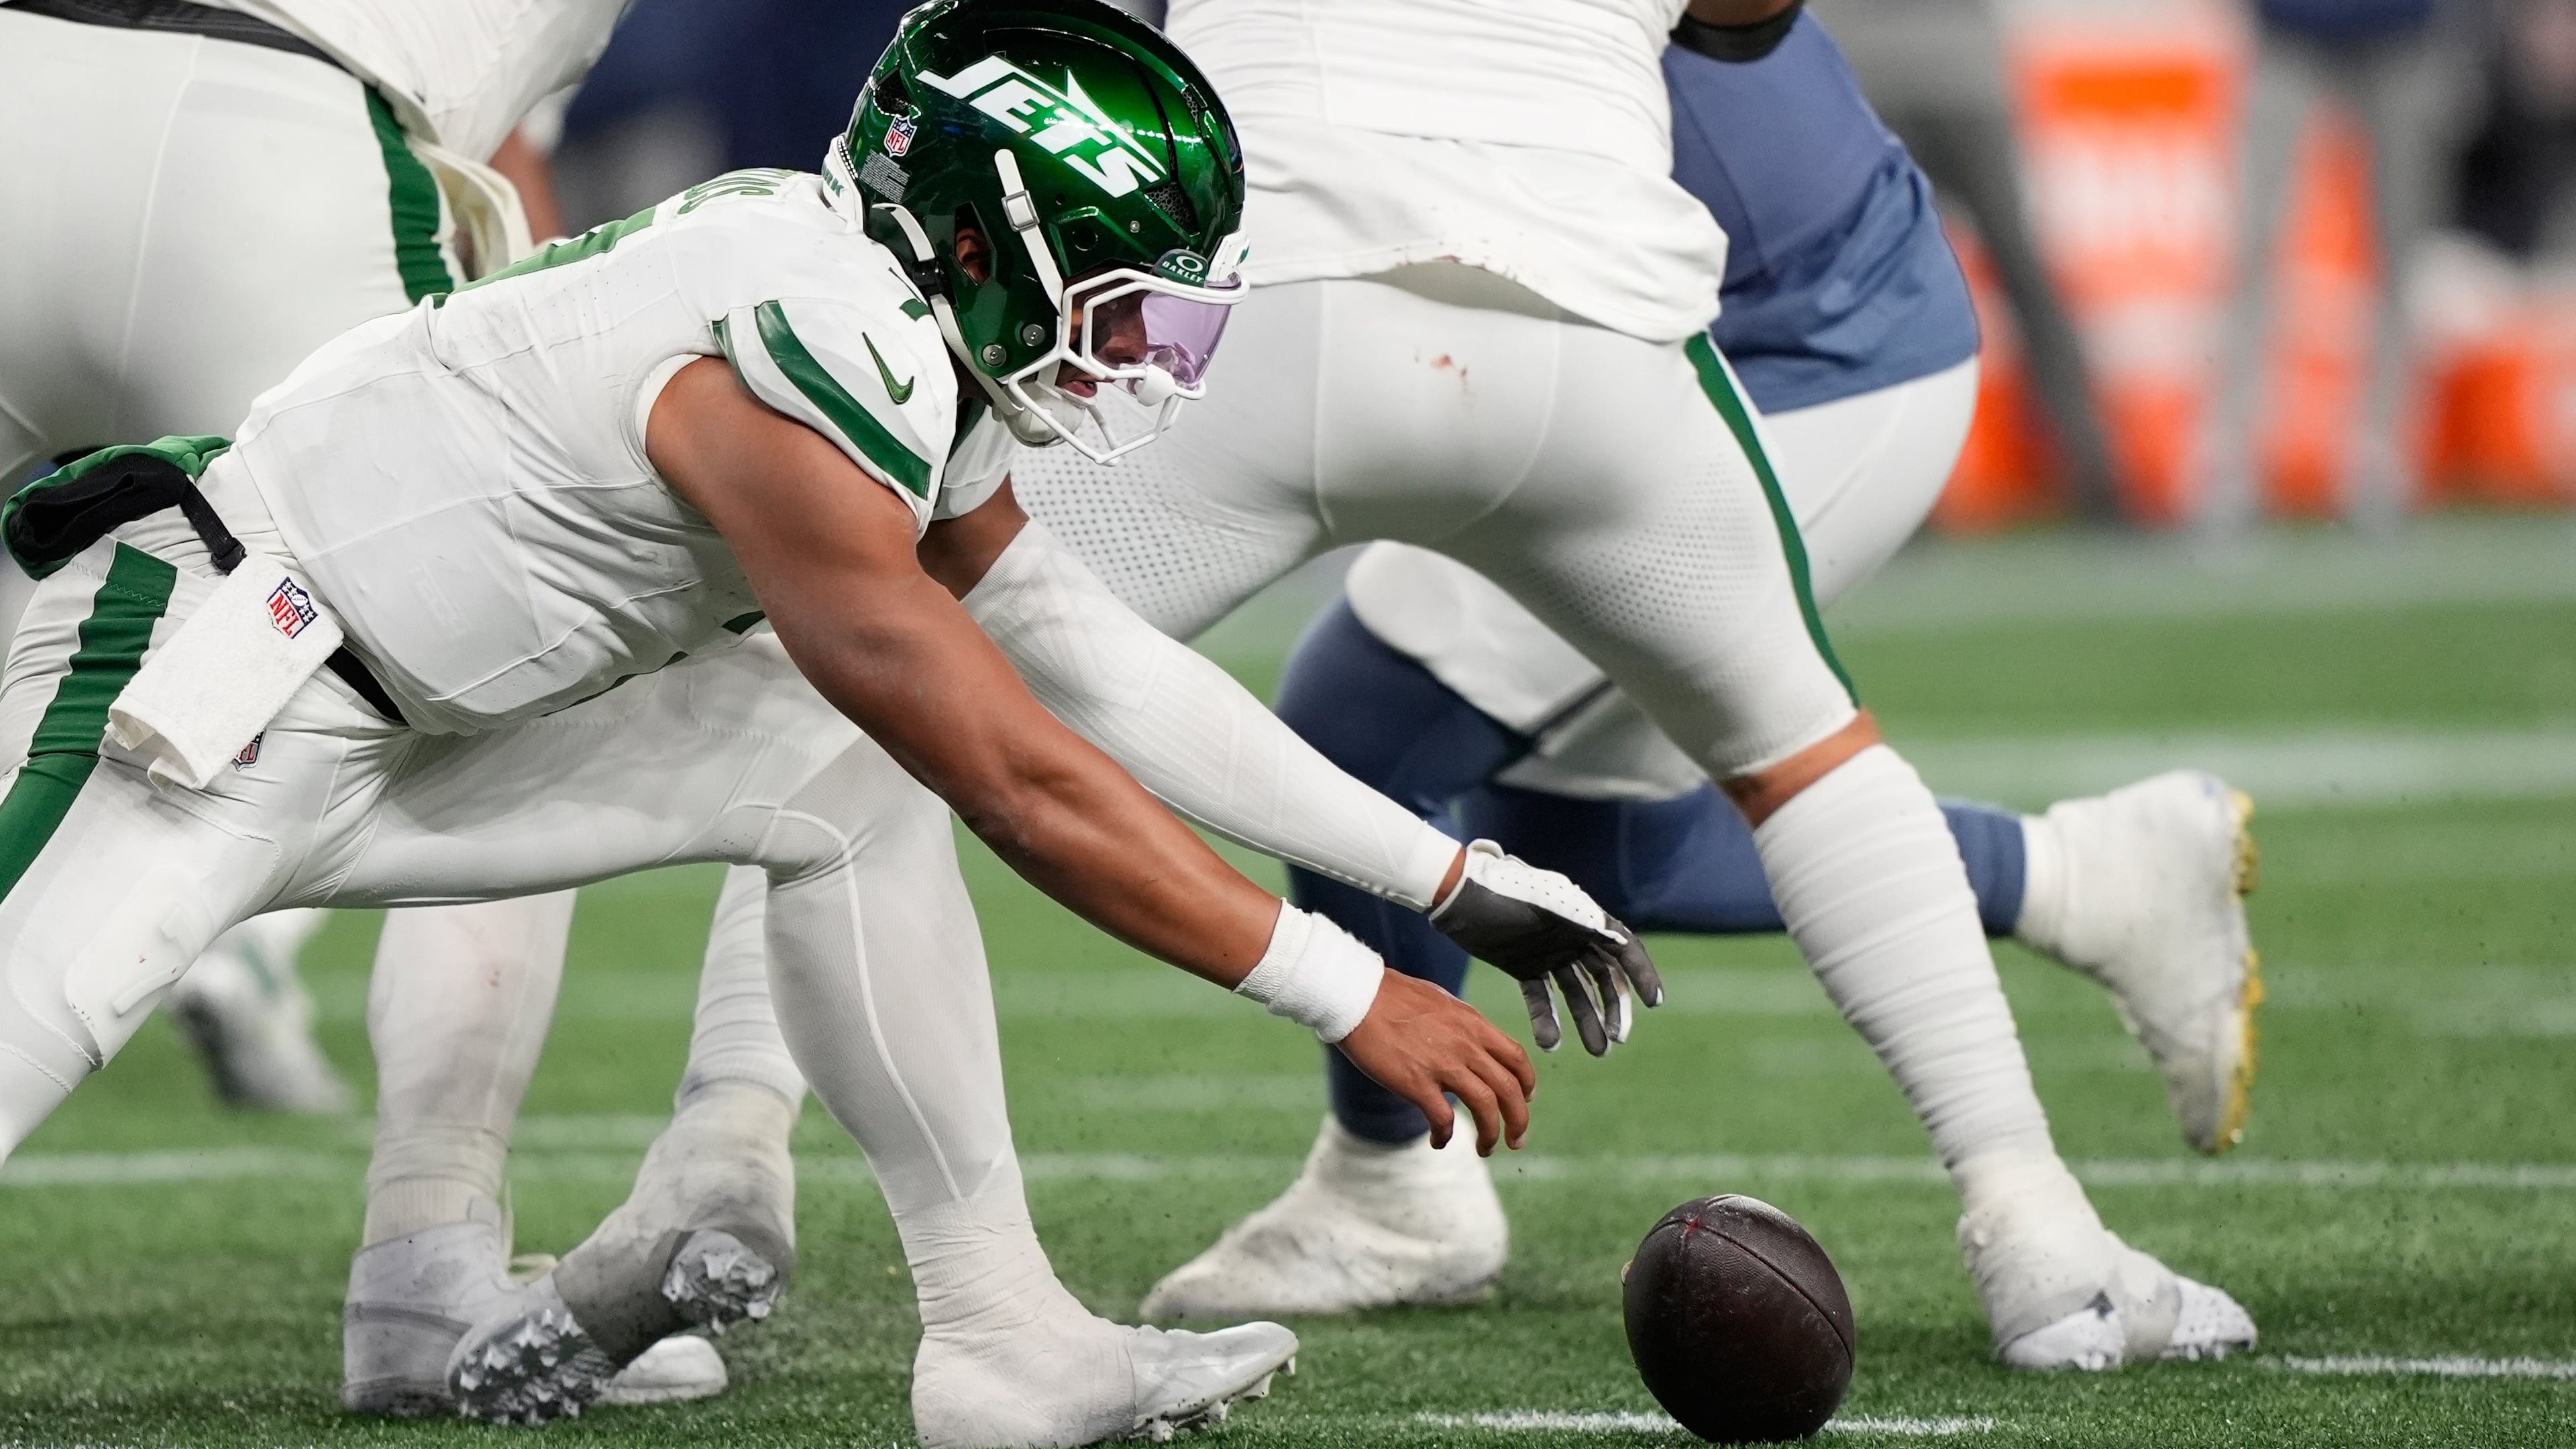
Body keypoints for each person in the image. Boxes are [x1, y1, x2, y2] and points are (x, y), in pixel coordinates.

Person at [0, 5, 1628, 1442]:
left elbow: (1080, 652)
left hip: (418, 718)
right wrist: (1349, 989)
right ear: (982, 245)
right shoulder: (813, 337)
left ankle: (1003, 1337)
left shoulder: (885, 306)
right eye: (1122, 304)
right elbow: (1014, 770)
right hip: (214, 680)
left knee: (839, 771)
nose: (1138, 354)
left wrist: (1438, 879)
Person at [987, 0, 2252, 1371]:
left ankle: (863, 1224)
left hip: (1751, 336)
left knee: (870, 698)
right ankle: (2047, 1208)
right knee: (1742, 772)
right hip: (1592, 304)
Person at [0, 0, 635, 1120]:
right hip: (278, 140)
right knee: (482, 657)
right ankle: (428, 1238)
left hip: (24, 77)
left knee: (75, 635)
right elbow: (512, 152)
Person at [1806, 0, 2128, 520]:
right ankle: (2099, 480)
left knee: (1877, 289)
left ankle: (1894, 500)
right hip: (1938, 72)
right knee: (2019, 278)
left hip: (1877, 73)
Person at [2196, 0, 2480, 530]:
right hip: (2291, 30)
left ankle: (2381, 461)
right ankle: (2229, 464)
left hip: (2403, 34)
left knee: (2400, 250)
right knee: (2255, 244)